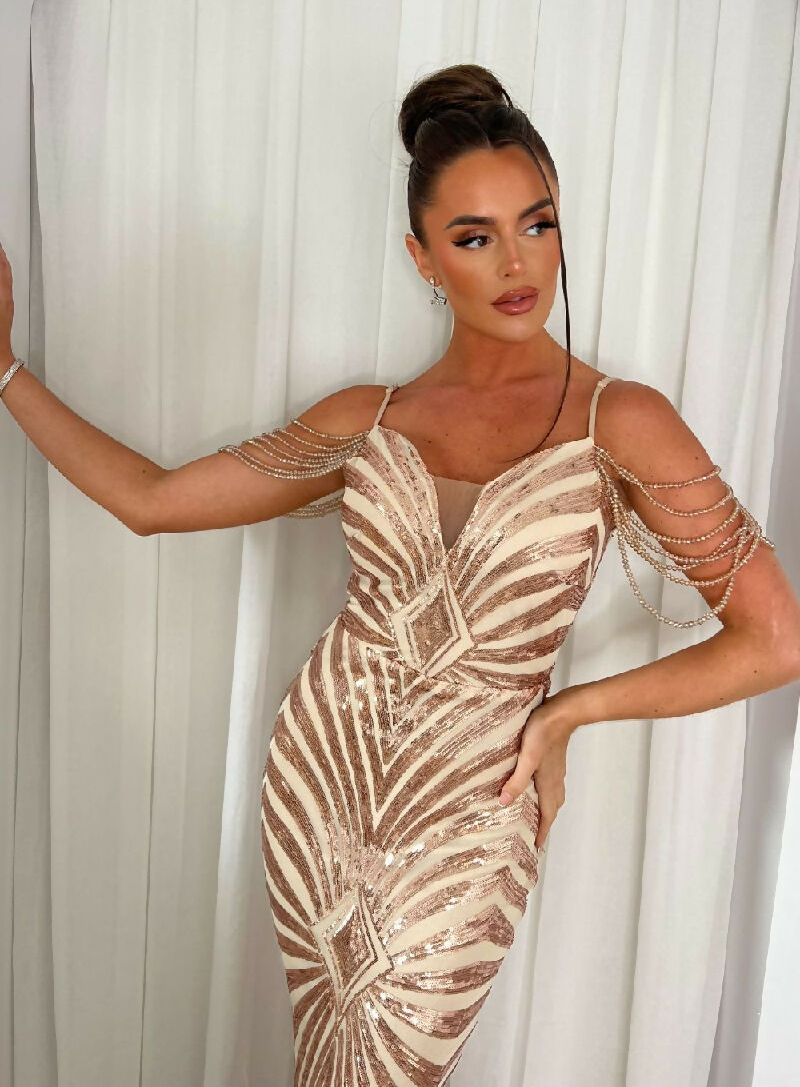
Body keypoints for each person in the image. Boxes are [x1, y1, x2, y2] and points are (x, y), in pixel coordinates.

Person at [2, 63, 799, 1086]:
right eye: (473, 238)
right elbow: (152, 501)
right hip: (321, 781)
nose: (516, 261)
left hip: (474, 805)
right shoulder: (366, 417)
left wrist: (569, 713)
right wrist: (5, 370)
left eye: (536, 223)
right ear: (421, 257)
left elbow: (775, 639)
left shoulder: (622, 421)